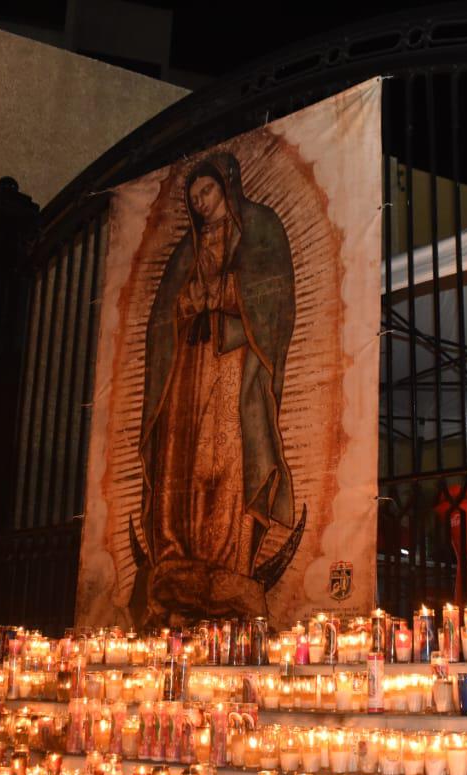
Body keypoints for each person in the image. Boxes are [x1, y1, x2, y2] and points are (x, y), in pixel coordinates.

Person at [130, 152, 298, 626]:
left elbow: (274, 293)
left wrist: (224, 294)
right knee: (185, 460)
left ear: (227, 185)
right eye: (195, 196)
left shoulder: (261, 229)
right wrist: (189, 300)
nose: (202, 202)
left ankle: (229, 563)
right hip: (190, 367)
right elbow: (165, 316)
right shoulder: (188, 249)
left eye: (208, 191)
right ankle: (180, 557)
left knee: (227, 457)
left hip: (234, 363)